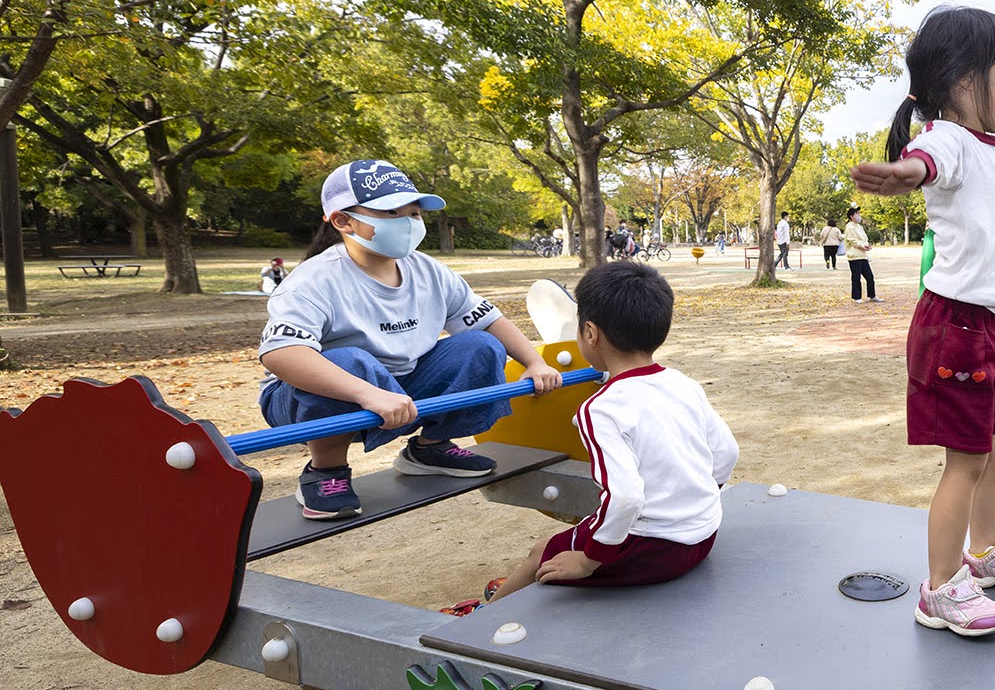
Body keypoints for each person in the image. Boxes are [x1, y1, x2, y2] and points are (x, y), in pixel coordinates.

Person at [849, 5, 995, 638]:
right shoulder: (948, 141)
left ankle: (986, 551)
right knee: (964, 460)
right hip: (956, 326)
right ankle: (938, 588)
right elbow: (926, 163)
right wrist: (904, 174)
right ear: (966, 80)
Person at [258, 160, 563, 521]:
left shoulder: (428, 269)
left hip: (400, 387)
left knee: (481, 347)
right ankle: (325, 470)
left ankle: (429, 449)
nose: (407, 223)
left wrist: (535, 362)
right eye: (390, 212)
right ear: (343, 221)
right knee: (350, 360)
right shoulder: (315, 280)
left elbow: (488, 321)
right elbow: (281, 354)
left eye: (414, 213)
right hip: (308, 399)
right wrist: (366, 393)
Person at [450, 262, 738, 612]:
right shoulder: (683, 383)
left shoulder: (600, 408)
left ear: (590, 333)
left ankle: (482, 616)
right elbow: (727, 453)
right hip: (703, 537)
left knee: (541, 551)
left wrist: (589, 561)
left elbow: (627, 497)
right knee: (579, 534)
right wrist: (692, 502)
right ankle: (525, 582)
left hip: (655, 550)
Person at [842, 206, 878, 302]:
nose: (859, 215)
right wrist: (861, 246)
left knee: (870, 276)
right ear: (851, 216)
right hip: (854, 256)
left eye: (859, 213)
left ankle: (872, 295)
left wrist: (867, 246)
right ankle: (856, 297)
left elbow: (864, 239)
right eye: (856, 214)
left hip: (863, 255)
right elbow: (852, 241)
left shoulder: (860, 227)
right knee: (856, 277)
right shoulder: (849, 227)